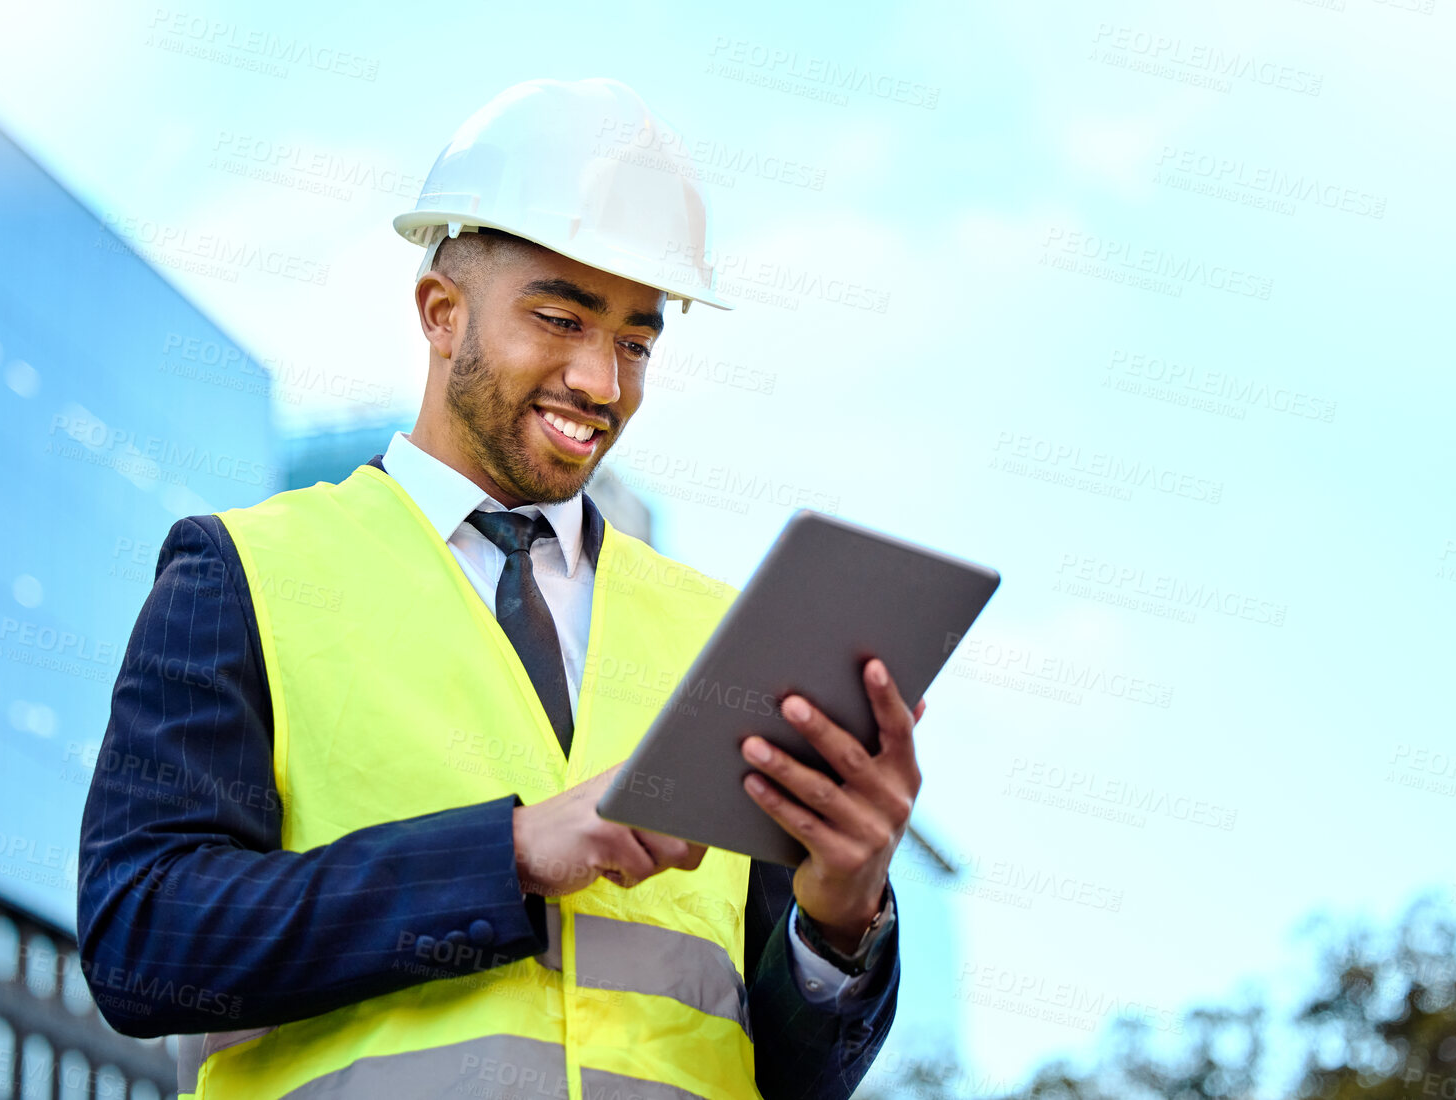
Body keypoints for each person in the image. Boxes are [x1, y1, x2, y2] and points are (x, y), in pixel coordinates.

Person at [76, 77, 930, 1100]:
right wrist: (512, 850)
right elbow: (142, 933)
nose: (601, 383)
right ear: (441, 312)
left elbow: (793, 1072)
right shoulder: (247, 572)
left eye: (634, 341)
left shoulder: (719, 633)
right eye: (559, 318)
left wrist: (840, 918)